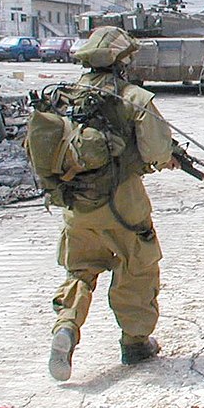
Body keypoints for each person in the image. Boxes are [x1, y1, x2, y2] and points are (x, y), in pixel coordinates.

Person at [48, 26, 177, 382]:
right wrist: (163, 159)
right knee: (137, 266)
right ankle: (135, 343)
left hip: (77, 204)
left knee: (81, 271)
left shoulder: (64, 97)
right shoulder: (135, 98)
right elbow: (156, 151)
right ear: (122, 61)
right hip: (123, 202)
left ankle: (66, 327)